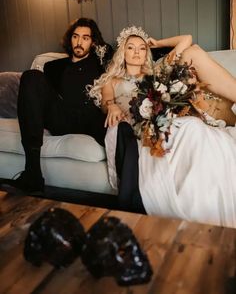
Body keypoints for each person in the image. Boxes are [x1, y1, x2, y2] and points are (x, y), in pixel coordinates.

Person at [89, 26, 236, 228]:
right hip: (139, 130)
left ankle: (202, 195)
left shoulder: (155, 74)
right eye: (131, 47)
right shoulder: (112, 81)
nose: (137, 52)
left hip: (162, 122)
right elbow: (107, 101)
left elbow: (187, 38)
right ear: (123, 53)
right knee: (189, 128)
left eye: (142, 48)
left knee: (192, 126)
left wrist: (157, 43)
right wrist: (112, 105)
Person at [0, 18, 113, 194]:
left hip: (88, 118)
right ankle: (33, 174)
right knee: (31, 76)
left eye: (85, 38)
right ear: (70, 39)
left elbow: (113, 51)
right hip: (61, 117)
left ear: (93, 42)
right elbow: (42, 98)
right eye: (75, 36)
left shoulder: (100, 62)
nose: (79, 42)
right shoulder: (53, 67)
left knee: (110, 123)